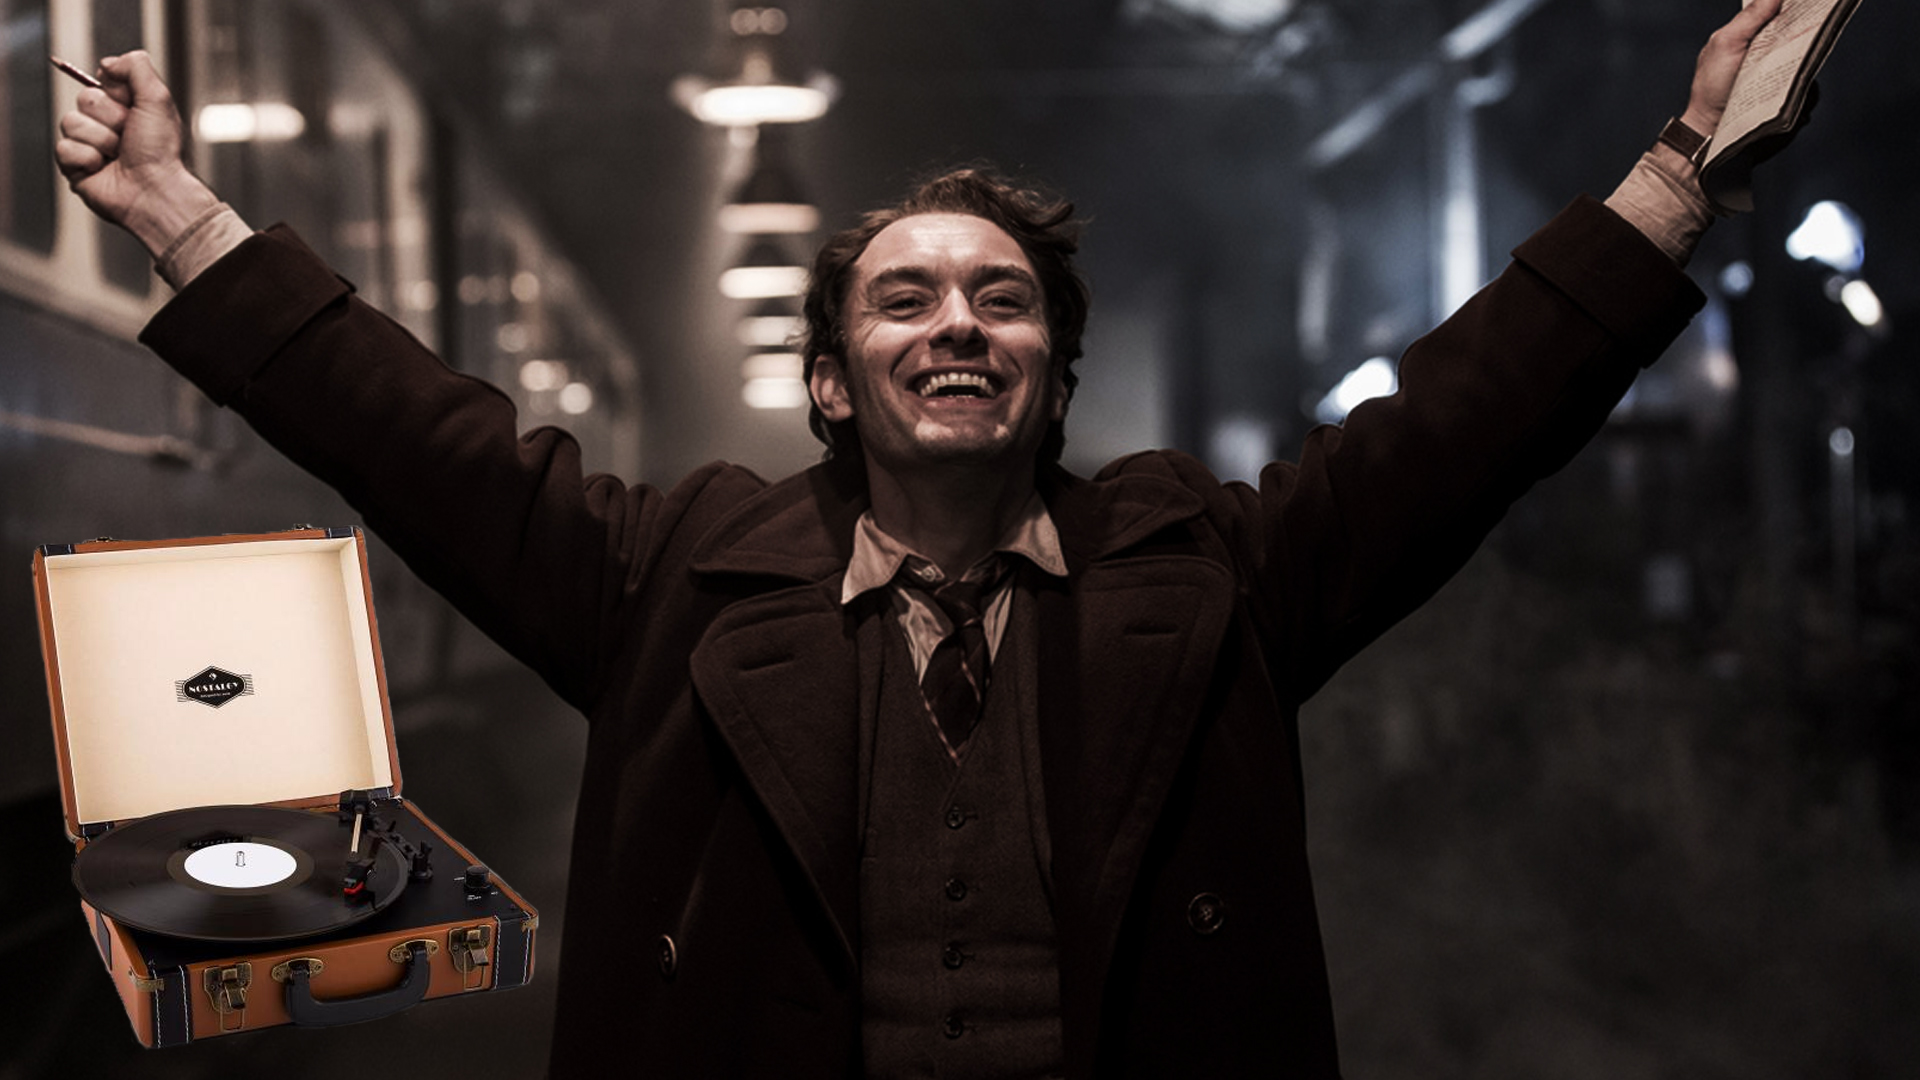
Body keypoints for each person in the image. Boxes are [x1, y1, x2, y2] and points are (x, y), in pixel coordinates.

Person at [56, 3, 1790, 1075]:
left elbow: (1462, 428)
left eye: (1003, 300)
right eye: (905, 298)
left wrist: (1682, 171)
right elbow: (414, 437)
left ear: (1053, 374)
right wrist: (176, 214)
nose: (958, 321)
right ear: (832, 381)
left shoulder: (1214, 579)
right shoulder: (670, 580)